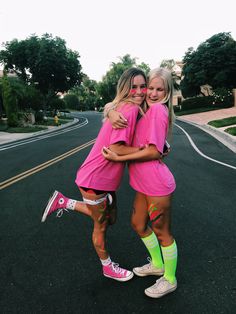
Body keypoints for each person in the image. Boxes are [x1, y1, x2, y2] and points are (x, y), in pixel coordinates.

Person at [41, 68, 147, 282]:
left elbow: (111, 108)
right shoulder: (129, 110)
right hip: (95, 179)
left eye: (142, 86)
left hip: (100, 179)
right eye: (133, 87)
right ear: (125, 88)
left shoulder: (123, 107)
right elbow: (117, 149)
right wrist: (148, 151)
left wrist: (110, 109)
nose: (139, 92)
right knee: (101, 225)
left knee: (111, 218)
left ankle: (64, 202)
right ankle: (108, 267)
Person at [102, 67, 178, 297]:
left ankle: (170, 278)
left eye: (159, 89)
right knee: (138, 223)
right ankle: (157, 264)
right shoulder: (144, 108)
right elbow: (114, 105)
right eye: (150, 88)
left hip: (156, 183)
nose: (152, 93)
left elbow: (154, 152)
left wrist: (120, 156)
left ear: (167, 92)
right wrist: (110, 112)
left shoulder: (157, 111)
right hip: (143, 183)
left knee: (162, 232)